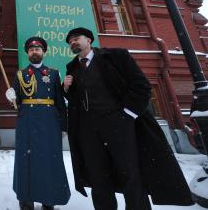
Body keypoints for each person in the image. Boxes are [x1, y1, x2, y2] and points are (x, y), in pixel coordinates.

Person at [63, 27, 194, 210]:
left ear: (90, 40)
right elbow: (80, 100)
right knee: (98, 176)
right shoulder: (72, 67)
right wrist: (67, 90)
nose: (73, 42)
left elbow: (141, 85)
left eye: (77, 38)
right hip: (89, 131)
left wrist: (127, 115)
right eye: (70, 42)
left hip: (119, 126)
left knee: (129, 173)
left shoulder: (116, 57)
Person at [5, 36, 70, 210]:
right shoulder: (20, 74)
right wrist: (11, 97)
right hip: (27, 121)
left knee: (49, 162)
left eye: (38, 49)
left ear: (44, 52)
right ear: (28, 53)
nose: (35, 52)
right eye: (32, 49)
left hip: (49, 123)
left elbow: (59, 101)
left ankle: (48, 200)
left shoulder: (54, 73)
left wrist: (63, 125)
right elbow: (16, 102)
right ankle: (26, 201)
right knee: (26, 161)